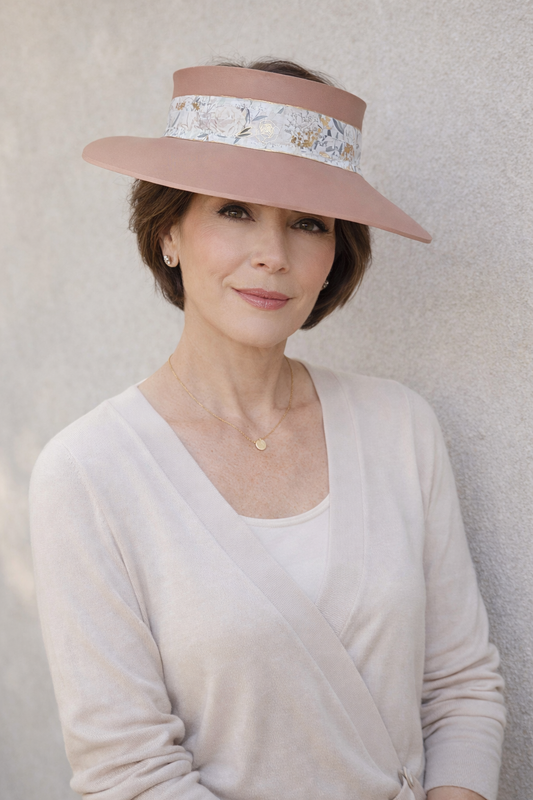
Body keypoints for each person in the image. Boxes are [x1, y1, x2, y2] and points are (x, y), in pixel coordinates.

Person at [29, 58, 505, 800]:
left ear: (334, 256)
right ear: (168, 232)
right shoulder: (88, 473)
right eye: (234, 210)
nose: (273, 256)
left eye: (307, 223)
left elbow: (459, 688)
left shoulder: (400, 427)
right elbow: (129, 772)